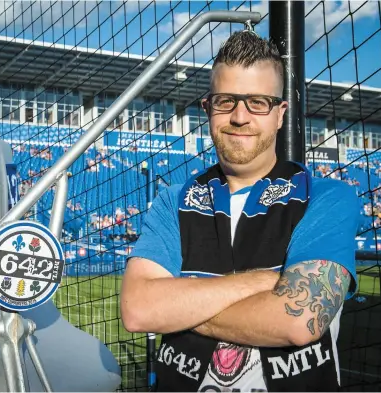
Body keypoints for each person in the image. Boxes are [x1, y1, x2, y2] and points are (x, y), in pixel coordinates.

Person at [120, 31, 361, 392]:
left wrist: (178, 309)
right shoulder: (174, 201)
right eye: (226, 101)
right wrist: (262, 283)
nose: (239, 117)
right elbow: (138, 309)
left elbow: (299, 321)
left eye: (258, 102)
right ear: (207, 109)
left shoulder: (327, 198)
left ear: (280, 114)